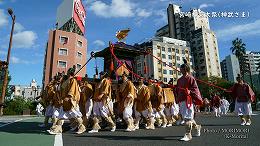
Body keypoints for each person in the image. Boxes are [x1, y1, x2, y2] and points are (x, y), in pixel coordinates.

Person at [47, 67, 86, 135]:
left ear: (69, 73)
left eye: (67, 72)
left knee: (76, 116)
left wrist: (69, 96)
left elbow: (72, 90)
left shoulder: (73, 80)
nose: (66, 73)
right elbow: (61, 89)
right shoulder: (67, 81)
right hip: (64, 102)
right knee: (61, 116)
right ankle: (58, 129)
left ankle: (82, 127)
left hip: (71, 102)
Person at [176, 61, 202, 141]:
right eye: (180, 69)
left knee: (187, 118)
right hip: (181, 100)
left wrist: (190, 91)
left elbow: (195, 88)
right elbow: (177, 90)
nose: (180, 70)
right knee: (187, 118)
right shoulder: (179, 80)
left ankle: (188, 135)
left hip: (188, 100)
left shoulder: (191, 78)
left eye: (182, 69)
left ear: (186, 69)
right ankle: (197, 127)